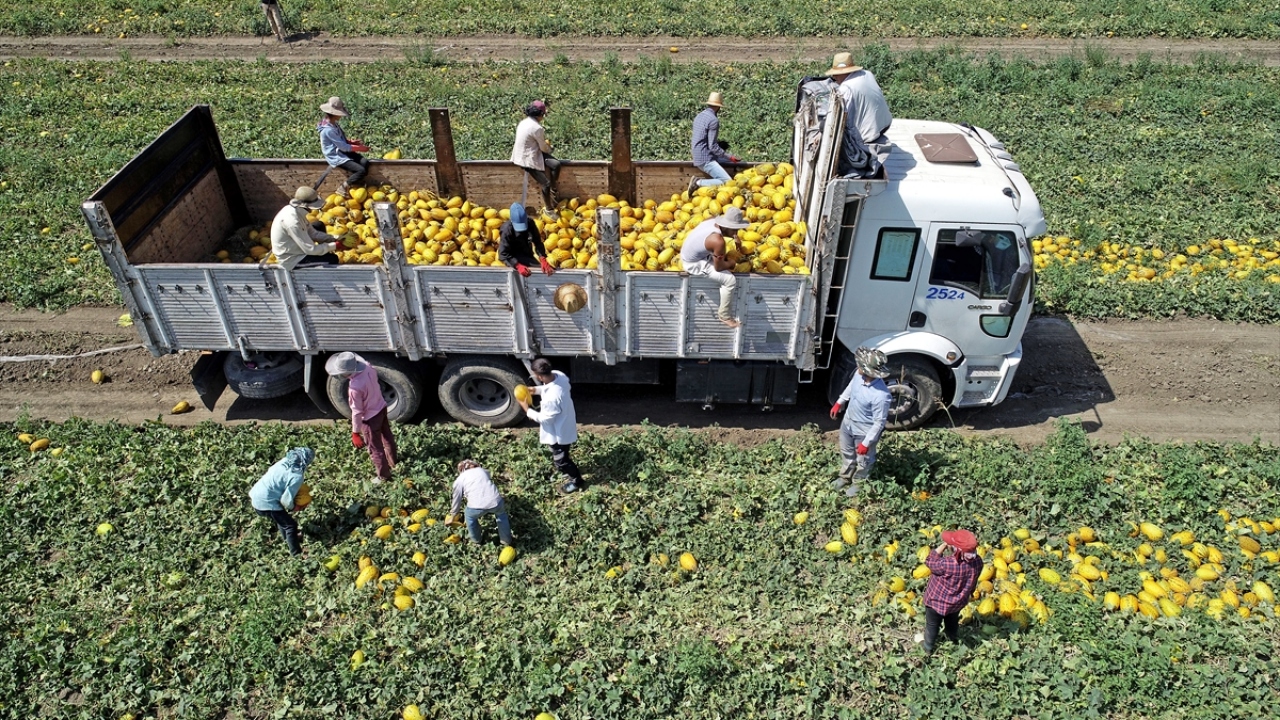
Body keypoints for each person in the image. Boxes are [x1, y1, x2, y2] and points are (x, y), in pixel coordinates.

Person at [325, 352, 397, 484]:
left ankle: (384, 476)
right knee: (387, 436)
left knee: (375, 448)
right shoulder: (369, 367)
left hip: (370, 419)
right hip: (381, 407)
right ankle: (393, 461)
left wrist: (355, 432)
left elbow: (357, 412)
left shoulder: (355, 388)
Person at [828, 346, 892, 495]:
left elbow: (879, 423)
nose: (858, 366)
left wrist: (866, 443)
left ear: (869, 370)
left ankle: (859, 482)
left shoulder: (881, 396)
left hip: (863, 432)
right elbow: (851, 387)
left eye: (860, 365)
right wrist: (839, 402)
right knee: (847, 453)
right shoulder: (859, 374)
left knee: (864, 460)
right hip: (848, 423)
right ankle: (845, 477)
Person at [516, 358, 586, 494]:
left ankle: (577, 481)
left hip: (558, 433)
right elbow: (549, 387)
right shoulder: (560, 376)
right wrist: (534, 390)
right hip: (566, 422)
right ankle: (564, 469)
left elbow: (546, 419)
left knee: (562, 460)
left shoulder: (551, 399)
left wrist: (527, 409)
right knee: (563, 452)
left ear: (539, 376)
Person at [679, 206, 749, 328]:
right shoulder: (718, 241)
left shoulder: (712, 220)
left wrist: (736, 246)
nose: (736, 233)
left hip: (689, 251)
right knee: (730, 280)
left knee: (723, 257)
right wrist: (732, 264)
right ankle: (724, 316)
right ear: (726, 226)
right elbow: (719, 267)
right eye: (734, 230)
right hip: (693, 263)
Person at [922, 529, 983, 655]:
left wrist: (942, 546)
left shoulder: (947, 564)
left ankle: (928, 647)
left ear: (956, 550)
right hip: (957, 603)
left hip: (936, 602)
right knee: (952, 622)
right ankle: (952, 639)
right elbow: (974, 580)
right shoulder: (978, 562)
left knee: (932, 625)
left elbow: (929, 561)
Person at [248, 447, 315, 556]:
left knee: (281, 517)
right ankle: (296, 554)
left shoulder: (284, 461)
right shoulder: (296, 476)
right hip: (266, 502)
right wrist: (295, 507)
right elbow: (286, 501)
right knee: (290, 525)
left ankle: (288, 539)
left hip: (256, 495)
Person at [827, 52, 892, 147]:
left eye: (837, 74)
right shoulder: (867, 74)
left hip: (870, 136)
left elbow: (842, 118)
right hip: (885, 124)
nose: (834, 77)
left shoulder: (846, 88)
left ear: (845, 73)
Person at [445, 460, 514, 546]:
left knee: (469, 517)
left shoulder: (460, 479)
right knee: (501, 516)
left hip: (476, 507)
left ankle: (476, 541)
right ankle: (506, 541)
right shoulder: (482, 471)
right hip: (496, 502)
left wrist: (453, 515)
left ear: (461, 470)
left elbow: (457, 499)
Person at [270, 186, 341, 270]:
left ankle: (322, 252)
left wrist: (334, 238)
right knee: (332, 259)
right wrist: (335, 246)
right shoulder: (293, 222)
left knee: (318, 225)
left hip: (298, 247)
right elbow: (310, 250)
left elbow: (313, 233)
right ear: (307, 206)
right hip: (293, 260)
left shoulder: (295, 210)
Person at [511, 100, 560, 209]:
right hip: (526, 159)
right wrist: (550, 149)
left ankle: (554, 188)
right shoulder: (537, 128)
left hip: (529, 152)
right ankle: (549, 209)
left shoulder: (523, 122)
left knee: (556, 164)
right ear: (540, 115)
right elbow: (543, 147)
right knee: (545, 184)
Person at [688, 92, 740, 195]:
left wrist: (725, 157)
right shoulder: (713, 120)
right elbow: (713, 146)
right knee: (726, 181)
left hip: (697, 154)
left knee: (724, 161)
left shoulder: (699, 115)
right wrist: (730, 157)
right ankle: (698, 182)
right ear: (719, 107)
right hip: (705, 158)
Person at [318, 96, 370, 197]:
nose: (340, 116)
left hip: (342, 150)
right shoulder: (328, 130)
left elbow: (341, 141)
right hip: (336, 155)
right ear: (334, 114)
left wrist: (352, 142)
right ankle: (343, 187)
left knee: (365, 162)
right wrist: (361, 148)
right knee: (361, 170)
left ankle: (355, 184)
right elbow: (343, 147)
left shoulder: (333, 125)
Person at [499, 203, 553, 277]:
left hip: (527, 253)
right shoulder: (507, 230)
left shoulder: (530, 223)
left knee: (544, 270)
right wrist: (517, 265)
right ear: (512, 221)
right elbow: (503, 254)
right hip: (512, 257)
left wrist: (542, 257)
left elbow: (537, 242)